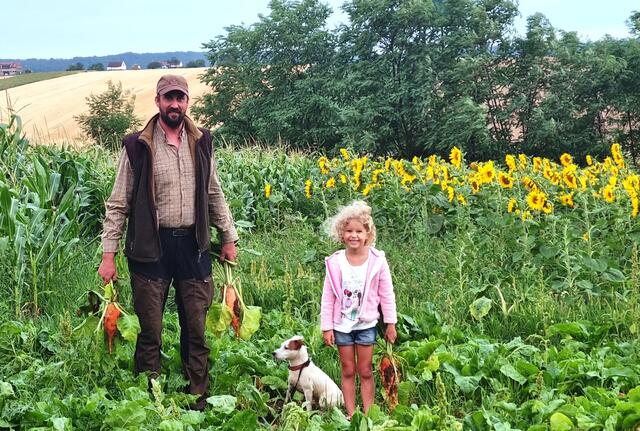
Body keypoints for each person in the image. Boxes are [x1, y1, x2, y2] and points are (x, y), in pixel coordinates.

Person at [98, 74, 238, 411]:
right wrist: (108, 254)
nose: (174, 104)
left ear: (187, 101)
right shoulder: (138, 145)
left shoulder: (202, 141)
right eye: (168, 98)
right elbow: (118, 203)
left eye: (180, 98)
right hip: (150, 248)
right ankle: (149, 397)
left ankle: (198, 395)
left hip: (193, 245)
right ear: (158, 101)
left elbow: (213, 192)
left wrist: (228, 236)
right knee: (150, 327)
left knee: (197, 327)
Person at [320, 200, 397, 418]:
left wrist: (391, 324)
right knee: (348, 370)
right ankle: (351, 414)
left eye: (359, 231)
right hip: (342, 326)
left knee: (364, 370)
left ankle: (367, 412)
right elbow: (327, 298)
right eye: (349, 231)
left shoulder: (377, 261)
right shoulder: (335, 263)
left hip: (366, 325)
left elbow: (387, 294)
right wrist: (327, 327)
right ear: (341, 234)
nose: (354, 235)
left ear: (368, 234)